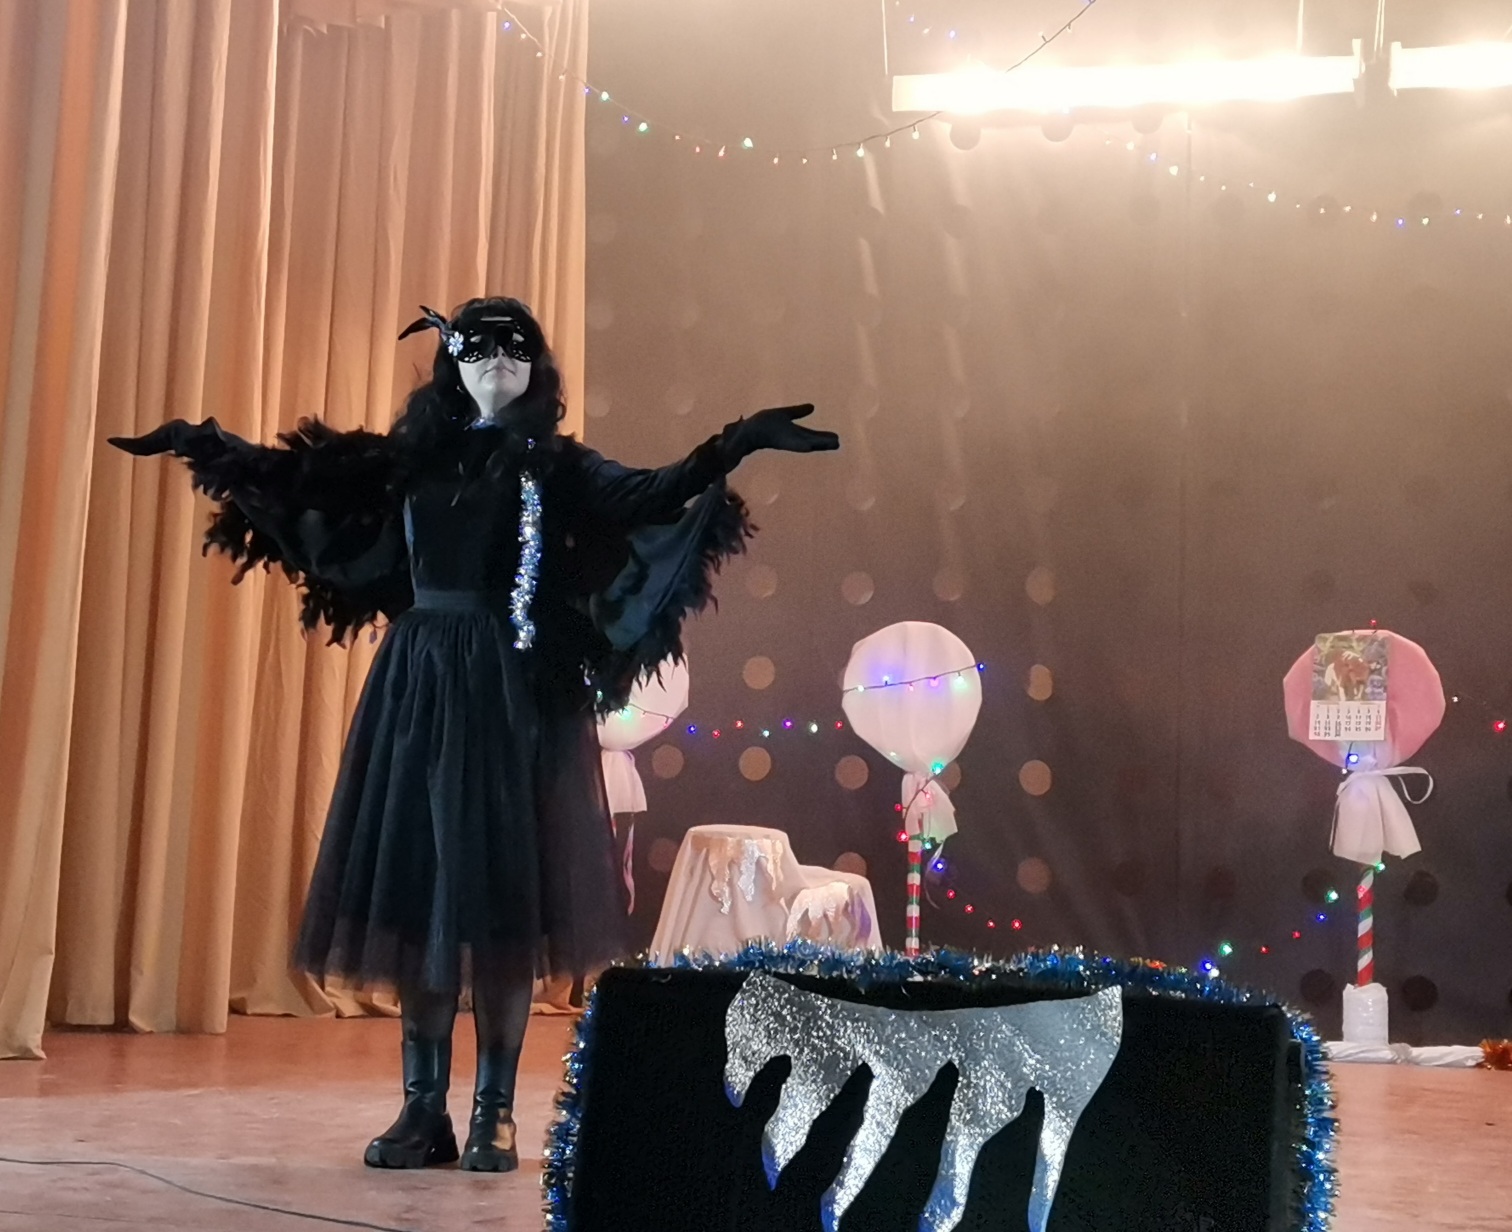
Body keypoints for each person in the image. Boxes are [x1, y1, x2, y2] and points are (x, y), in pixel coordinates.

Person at [110, 297, 838, 1172]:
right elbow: (302, 485)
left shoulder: (558, 468)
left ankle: (495, 1112)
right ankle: (423, 1110)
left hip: (511, 695)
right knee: (422, 895)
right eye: (479, 344)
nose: (498, 358)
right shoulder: (408, 462)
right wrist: (206, 446)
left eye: (515, 345)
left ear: (538, 367)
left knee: (498, 907)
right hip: (418, 687)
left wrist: (736, 441)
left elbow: (651, 493)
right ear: (450, 362)